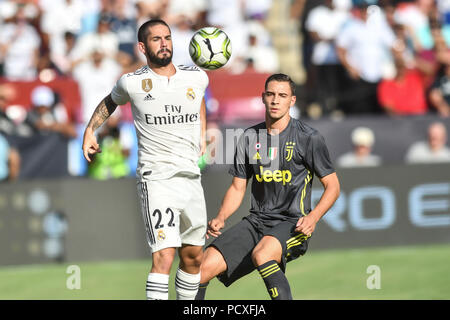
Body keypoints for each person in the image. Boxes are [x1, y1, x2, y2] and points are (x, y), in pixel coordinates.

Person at [82, 19, 209, 300]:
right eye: (156, 39)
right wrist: (91, 130)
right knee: (164, 256)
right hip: (157, 180)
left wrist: (201, 131)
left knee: (193, 258)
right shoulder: (132, 82)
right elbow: (109, 102)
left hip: (191, 178)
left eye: (168, 37)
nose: (164, 43)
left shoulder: (196, 76)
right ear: (142, 46)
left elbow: (198, 98)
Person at [195, 73, 340, 300]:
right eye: (271, 94)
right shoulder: (249, 136)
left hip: (293, 223)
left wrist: (312, 218)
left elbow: (333, 186)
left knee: (263, 254)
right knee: (200, 271)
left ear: (292, 101)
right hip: (257, 221)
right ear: (263, 97)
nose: (275, 100)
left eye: (282, 95)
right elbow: (237, 187)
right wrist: (221, 216)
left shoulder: (309, 138)